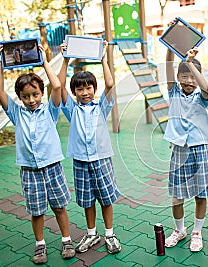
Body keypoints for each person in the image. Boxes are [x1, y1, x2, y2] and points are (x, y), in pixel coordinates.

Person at [0, 44, 75, 264]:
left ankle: (66, 239)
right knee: (37, 211)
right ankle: (40, 244)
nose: (31, 100)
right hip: (30, 170)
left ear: (41, 93)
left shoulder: (50, 110)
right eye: (26, 96)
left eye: (35, 94)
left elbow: (57, 86)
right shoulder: (17, 113)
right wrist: (0, 62)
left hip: (52, 166)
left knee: (59, 207)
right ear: (19, 97)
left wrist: (43, 61)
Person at [58, 41, 121, 255]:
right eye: (79, 89)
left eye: (88, 87)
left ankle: (110, 234)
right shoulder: (71, 110)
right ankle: (92, 233)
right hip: (80, 161)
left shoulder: (101, 106)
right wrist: (66, 60)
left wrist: (103, 57)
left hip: (102, 159)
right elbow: (58, 86)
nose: (84, 92)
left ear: (94, 88)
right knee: (87, 199)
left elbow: (110, 84)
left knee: (106, 197)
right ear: (74, 92)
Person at [163, 25, 208, 252]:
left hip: (200, 149)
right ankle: (180, 229)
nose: (188, 80)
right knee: (177, 196)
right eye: (184, 75)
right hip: (180, 149)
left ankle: (197, 231)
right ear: (178, 78)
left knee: (200, 194)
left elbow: (206, 86)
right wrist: (170, 43)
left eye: (192, 76)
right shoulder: (174, 92)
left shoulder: (202, 96)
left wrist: (191, 63)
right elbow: (168, 67)